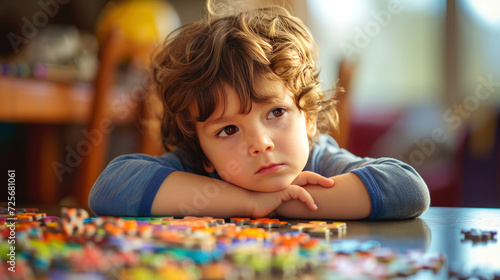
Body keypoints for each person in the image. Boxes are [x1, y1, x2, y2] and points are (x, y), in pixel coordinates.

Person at [88, 1, 430, 220]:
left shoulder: (320, 161)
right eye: (228, 130)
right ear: (203, 153)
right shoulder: (196, 168)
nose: (260, 143)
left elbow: (407, 188)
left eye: (276, 113)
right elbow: (111, 188)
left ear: (308, 117)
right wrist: (247, 203)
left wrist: (281, 202)